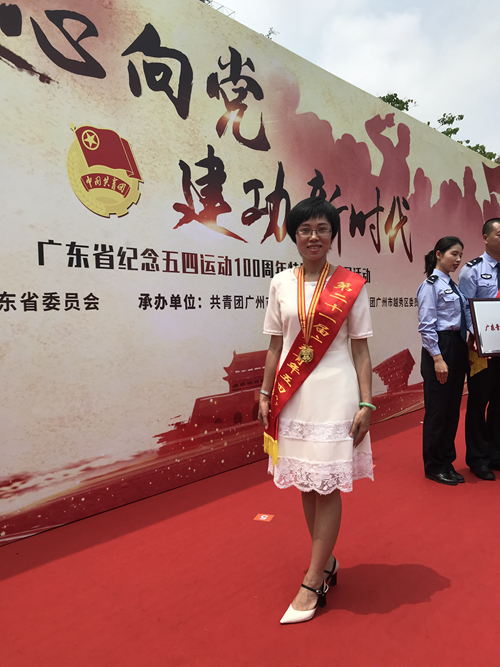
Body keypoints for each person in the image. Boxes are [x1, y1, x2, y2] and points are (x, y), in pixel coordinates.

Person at [258, 197, 374, 625]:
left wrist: (366, 402)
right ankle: (326, 562)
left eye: (322, 229)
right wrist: (265, 392)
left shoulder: (351, 284)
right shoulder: (280, 283)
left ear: (332, 235)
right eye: (305, 229)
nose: (313, 236)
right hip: (294, 394)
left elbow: (361, 350)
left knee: (326, 486)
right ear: (294, 234)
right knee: (307, 484)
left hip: (336, 394)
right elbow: (276, 345)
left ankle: (313, 580)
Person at [417, 236, 472, 486]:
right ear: (439, 254)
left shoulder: (454, 285)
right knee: (437, 410)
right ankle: (434, 465)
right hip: (440, 348)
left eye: (461, 255)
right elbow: (426, 325)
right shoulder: (430, 285)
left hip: (457, 346)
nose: (458, 259)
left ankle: (447, 461)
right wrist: (438, 358)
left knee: (451, 409)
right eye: (454, 254)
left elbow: (466, 317)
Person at [458, 218, 500, 480]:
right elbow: (464, 306)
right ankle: (477, 458)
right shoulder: (472, 270)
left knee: (499, 403)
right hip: (481, 348)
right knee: (478, 401)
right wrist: (476, 333)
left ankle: (496, 453)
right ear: (485, 238)